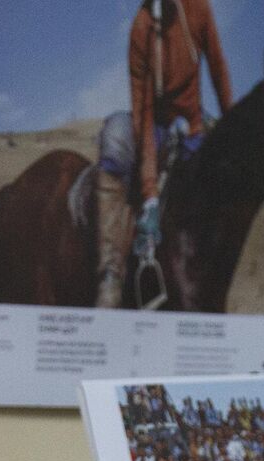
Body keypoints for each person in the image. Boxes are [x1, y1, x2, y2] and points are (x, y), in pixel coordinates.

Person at [92, 0, 233, 308]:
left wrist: (231, 126)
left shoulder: (198, 9)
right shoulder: (141, 28)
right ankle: (111, 273)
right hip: (152, 129)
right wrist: (150, 194)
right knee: (115, 135)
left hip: (193, 127)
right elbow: (141, 116)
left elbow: (218, 69)